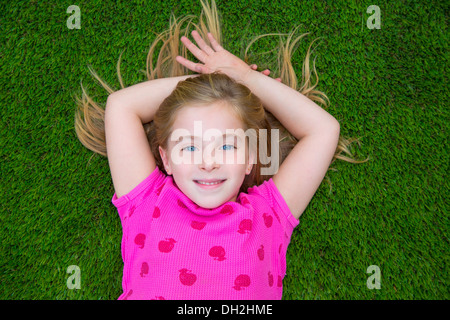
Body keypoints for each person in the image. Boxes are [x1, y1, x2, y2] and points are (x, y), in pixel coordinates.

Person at [74, 0, 367, 300]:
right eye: (189, 147)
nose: (208, 162)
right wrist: (217, 82)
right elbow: (121, 107)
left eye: (226, 145)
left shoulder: (269, 216)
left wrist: (245, 79)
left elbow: (323, 131)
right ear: (166, 159)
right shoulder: (147, 203)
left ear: (251, 157)